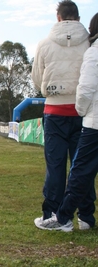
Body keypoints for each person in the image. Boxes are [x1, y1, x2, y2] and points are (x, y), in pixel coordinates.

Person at [35, 12, 98, 232]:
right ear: (78, 17)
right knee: (82, 167)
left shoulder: (44, 43)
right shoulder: (89, 45)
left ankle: (53, 213)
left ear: (58, 17)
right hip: (82, 112)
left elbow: (37, 77)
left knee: (55, 165)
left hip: (54, 109)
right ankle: (86, 215)